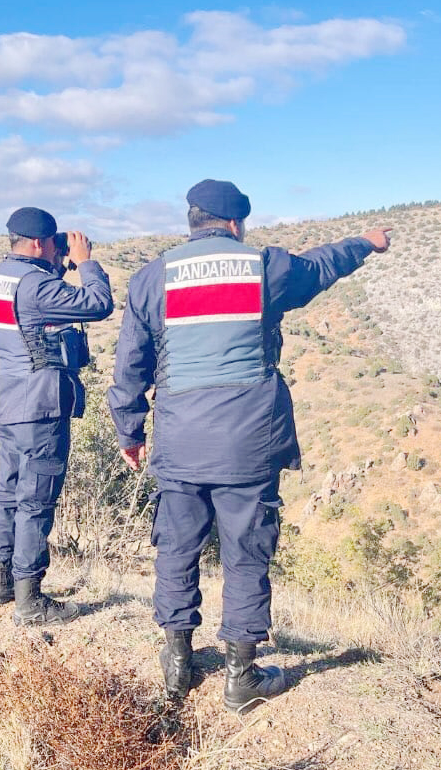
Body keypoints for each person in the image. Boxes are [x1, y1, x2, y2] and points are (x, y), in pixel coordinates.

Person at [108, 180, 392, 710]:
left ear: (192, 220)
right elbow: (320, 267)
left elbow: (130, 366)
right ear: (236, 223)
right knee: (245, 552)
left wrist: (130, 430)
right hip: (247, 439)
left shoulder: (152, 277)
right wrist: (364, 243)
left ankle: (176, 665)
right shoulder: (263, 266)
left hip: (179, 438)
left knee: (176, 547)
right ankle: (241, 678)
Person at [0, 207, 115, 624]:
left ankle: (2, 581)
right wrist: (87, 263)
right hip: (40, 401)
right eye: (56, 244)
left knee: (9, 490)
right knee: (36, 497)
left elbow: (35, 306)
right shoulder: (36, 285)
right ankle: (30, 600)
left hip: (10, 398)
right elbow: (98, 304)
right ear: (40, 243)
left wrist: (60, 267)